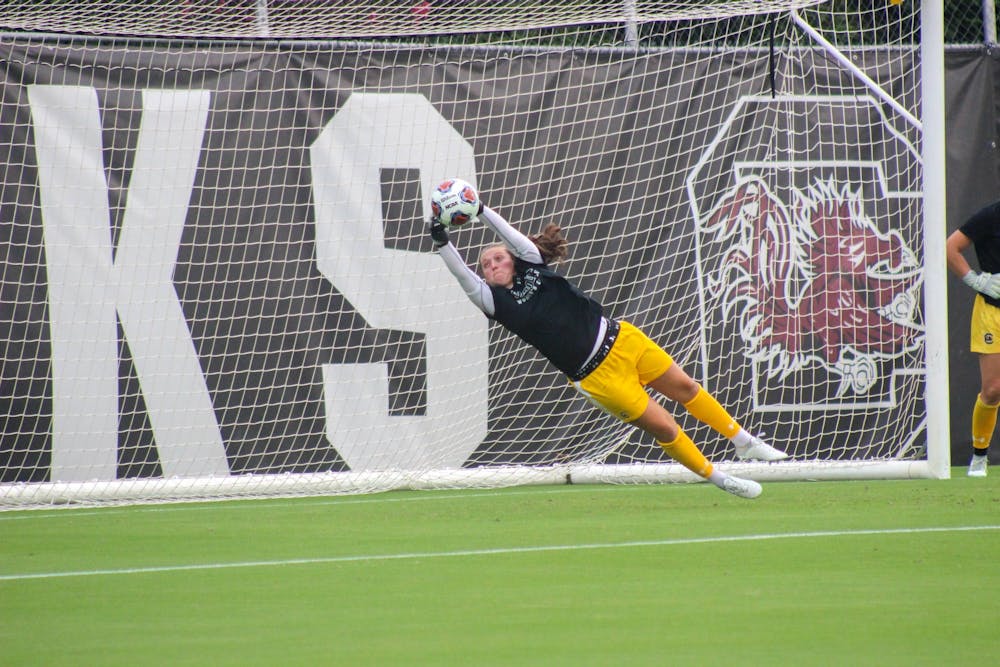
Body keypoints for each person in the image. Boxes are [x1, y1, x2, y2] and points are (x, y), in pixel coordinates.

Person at [429, 193, 788, 499]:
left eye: (499, 258)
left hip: (622, 339)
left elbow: (507, 234)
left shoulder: (534, 265)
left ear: (514, 259)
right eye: (486, 265)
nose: (493, 265)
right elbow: (463, 275)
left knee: (686, 387)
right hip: (598, 377)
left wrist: (480, 208)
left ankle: (743, 440)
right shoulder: (492, 301)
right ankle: (720, 479)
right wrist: (442, 242)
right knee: (664, 427)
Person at [946, 199, 1000, 477]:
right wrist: (977, 281)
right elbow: (951, 247)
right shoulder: (990, 215)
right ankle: (980, 456)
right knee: (992, 390)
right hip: (993, 311)